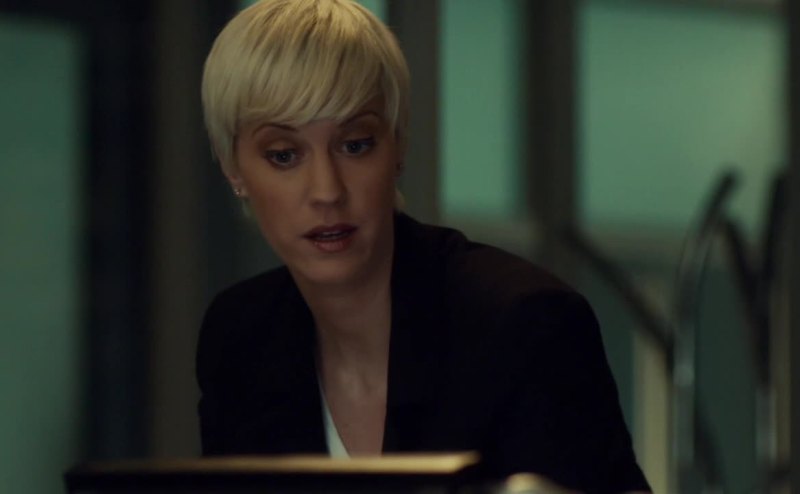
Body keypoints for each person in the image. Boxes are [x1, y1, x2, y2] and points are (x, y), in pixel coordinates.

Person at [197, 1, 651, 492]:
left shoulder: (523, 325)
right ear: (232, 167)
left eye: (355, 145)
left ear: (398, 145)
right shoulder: (240, 338)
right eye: (284, 155)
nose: (327, 190)